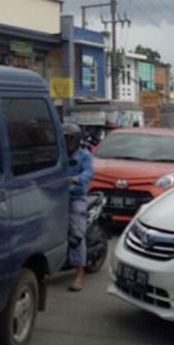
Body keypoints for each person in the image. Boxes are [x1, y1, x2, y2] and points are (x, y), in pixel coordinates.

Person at [64, 123, 94, 292]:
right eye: (65, 139)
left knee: (76, 235)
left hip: (77, 197)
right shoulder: (59, 155)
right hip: (59, 197)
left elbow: (89, 173)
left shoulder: (84, 156)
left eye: (70, 139)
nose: (67, 142)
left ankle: (79, 274)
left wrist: (75, 179)